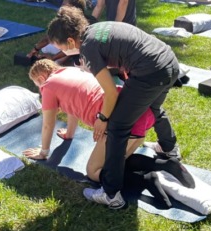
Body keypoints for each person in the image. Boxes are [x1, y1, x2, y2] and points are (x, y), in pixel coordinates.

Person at [47, 6, 182, 209]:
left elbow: (110, 93)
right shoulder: (95, 30)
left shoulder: (88, 48)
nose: (62, 53)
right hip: (168, 63)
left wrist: (102, 119)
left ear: (71, 42)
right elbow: (119, 49)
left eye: (62, 48)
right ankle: (169, 149)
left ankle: (111, 194)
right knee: (153, 108)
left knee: (117, 128)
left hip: (149, 72)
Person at [23, 59, 194, 207]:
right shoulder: (70, 71)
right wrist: (69, 133)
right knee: (118, 160)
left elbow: (48, 124)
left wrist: (44, 151)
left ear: (40, 79)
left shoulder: (48, 86)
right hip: (142, 114)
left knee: (94, 171)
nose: (40, 90)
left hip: (121, 122)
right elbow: (72, 108)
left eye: (37, 86)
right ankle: (154, 173)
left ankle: (156, 170)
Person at [26, 0, 97, 66]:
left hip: (86, 55)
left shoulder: (70, 24)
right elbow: (50, 38)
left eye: (64, 5)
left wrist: (53, 58)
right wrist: (36, 49)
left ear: (72, 9)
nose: (61, 7)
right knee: (47, 48)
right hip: (81, 49)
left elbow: (71, 48)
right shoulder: (86, 19)